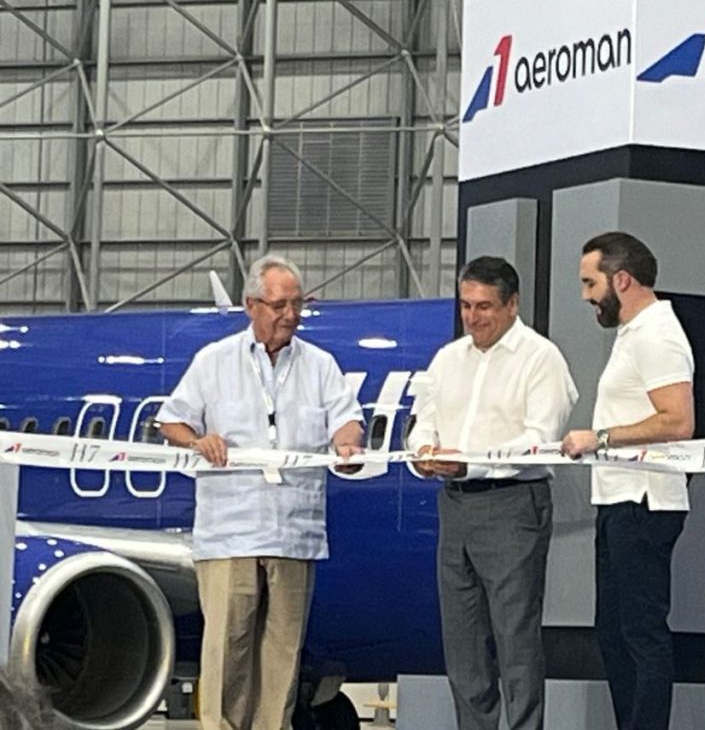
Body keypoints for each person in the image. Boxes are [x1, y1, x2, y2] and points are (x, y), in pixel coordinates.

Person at [157, 255, 364, 730]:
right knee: (227, 650)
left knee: (282, 656)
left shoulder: (321, 365)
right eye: (279, 305)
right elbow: (171, 420)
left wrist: (347, 443)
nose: (290, 315)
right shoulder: (214, 361)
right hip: (231, 532)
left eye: (297, 304)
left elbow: (346, 418)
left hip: (293, 533)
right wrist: (197, 441)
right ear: (251, 305)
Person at [407, 256, 578, 730]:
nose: (473, 316)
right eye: (466, 305)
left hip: (512, 505)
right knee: (462, 641)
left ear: (512, 304)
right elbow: (423, 420)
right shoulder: (447, 359)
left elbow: (539, 439)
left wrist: (472, 461)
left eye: (484, 306)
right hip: (455, 503)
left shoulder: (541, 358)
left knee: (515, 638)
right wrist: (423, 451)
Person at [561, 232, 695, 730]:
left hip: (643, 500)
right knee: (615, 634)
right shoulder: (635, 333)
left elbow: (678, 421)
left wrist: (599, 437)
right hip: (620, 497)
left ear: (621, 280)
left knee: (640, 634)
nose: (585, 296)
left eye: (589, 283)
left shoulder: (657, 335)